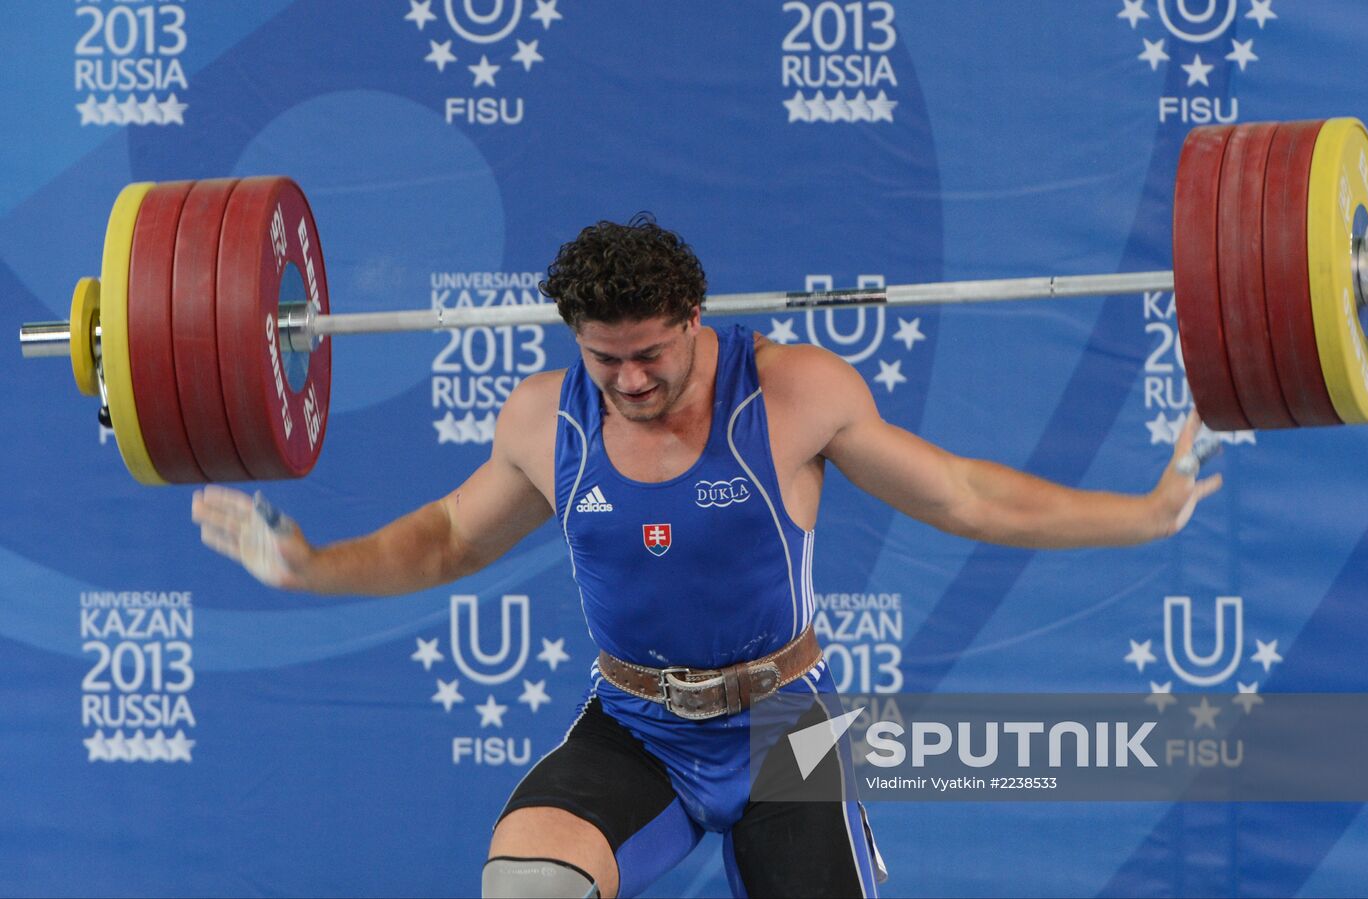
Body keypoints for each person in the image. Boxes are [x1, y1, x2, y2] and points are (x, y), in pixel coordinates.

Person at [192, 215, 1222, 898]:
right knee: (527, 884)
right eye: (606, 358)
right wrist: (308, 564)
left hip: (783, 729)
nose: (632, 378)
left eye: (652, 351)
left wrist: (1141, 512)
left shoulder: (792, 392)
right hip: (635, 726)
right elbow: (447, 536)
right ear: (575, 341)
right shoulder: (543, 418)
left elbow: (961, 492)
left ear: (695, 318)